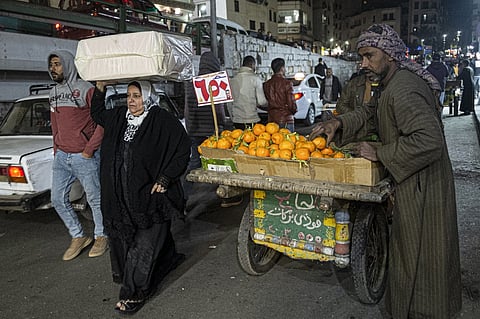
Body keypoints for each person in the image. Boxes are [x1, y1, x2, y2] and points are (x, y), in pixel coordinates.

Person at [311, 24, 461, 319]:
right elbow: (370, 114)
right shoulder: (389, 84)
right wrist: (338, 123)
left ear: (390, 54)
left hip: (423, 184)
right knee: (411, 252)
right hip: (413, 179)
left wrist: (381, 152)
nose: (363, 63)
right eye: (361, 56)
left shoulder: (403, 89)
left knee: (423, 255)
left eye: (369, 55)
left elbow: (429, 141)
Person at [90, 80, 191, 315]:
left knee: (142, 246)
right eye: (128, 95)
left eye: (136, 95)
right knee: (127, 240)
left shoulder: (161, 120)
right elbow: (97, 113)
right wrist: (100, 88)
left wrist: (166, 178)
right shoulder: (118, 118)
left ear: (147, 96)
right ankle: (167, 261)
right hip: (121, 199)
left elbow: (183, 148)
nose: (131, 101)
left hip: (151, 198)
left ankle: (133, 293)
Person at [47, 50, 107, 261]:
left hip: (84, 156)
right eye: (52, 65)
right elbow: (55, 125)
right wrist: (57, 149)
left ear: (68, 65)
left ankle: (101, 235)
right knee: (57, 199)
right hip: (62, 156)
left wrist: (89, 149)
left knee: (95, 199)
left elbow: (101, 121)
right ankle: (78, 236)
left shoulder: (86, 89)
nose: (53, 69)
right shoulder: (53, 92)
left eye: (57, 64)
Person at [228, 55, 268, 129]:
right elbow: (261, 102)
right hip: (252, 119)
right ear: (252, 64)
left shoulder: (232, 80)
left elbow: (229, 103)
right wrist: (269, 105)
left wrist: (233, 117)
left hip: (237, 120)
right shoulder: (256, 79)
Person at [263, 58, 297, 132]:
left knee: (275, 142)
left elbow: (264, 102)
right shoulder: (287, 83)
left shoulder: (266, 84)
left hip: (271, 119)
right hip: (285, 118)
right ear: (282, 68)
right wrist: (293, 111)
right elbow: (291, 103)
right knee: (288, 142)